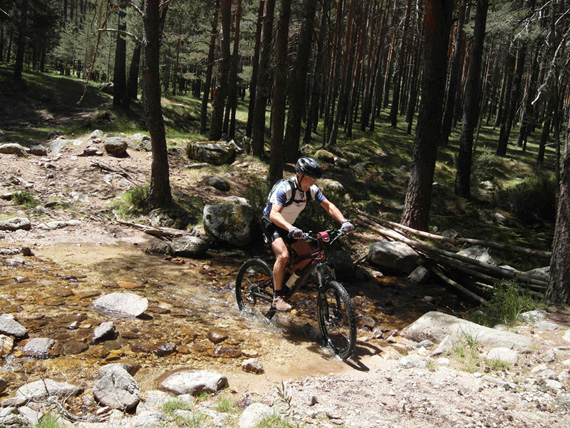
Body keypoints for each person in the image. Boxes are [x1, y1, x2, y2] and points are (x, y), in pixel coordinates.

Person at [261, 157, 355, 311]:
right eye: (309, 179)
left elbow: (328, 206)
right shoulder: (285, 189)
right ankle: (277, 297)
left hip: (289, 226)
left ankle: (286, 282)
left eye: (314, 179)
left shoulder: (311, 190)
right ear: (298, 175)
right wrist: (290, 229)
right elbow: (274, 214)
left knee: (309, 256)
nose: (312, 183)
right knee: (283, 255)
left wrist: (343, 221)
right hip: (271, 223)